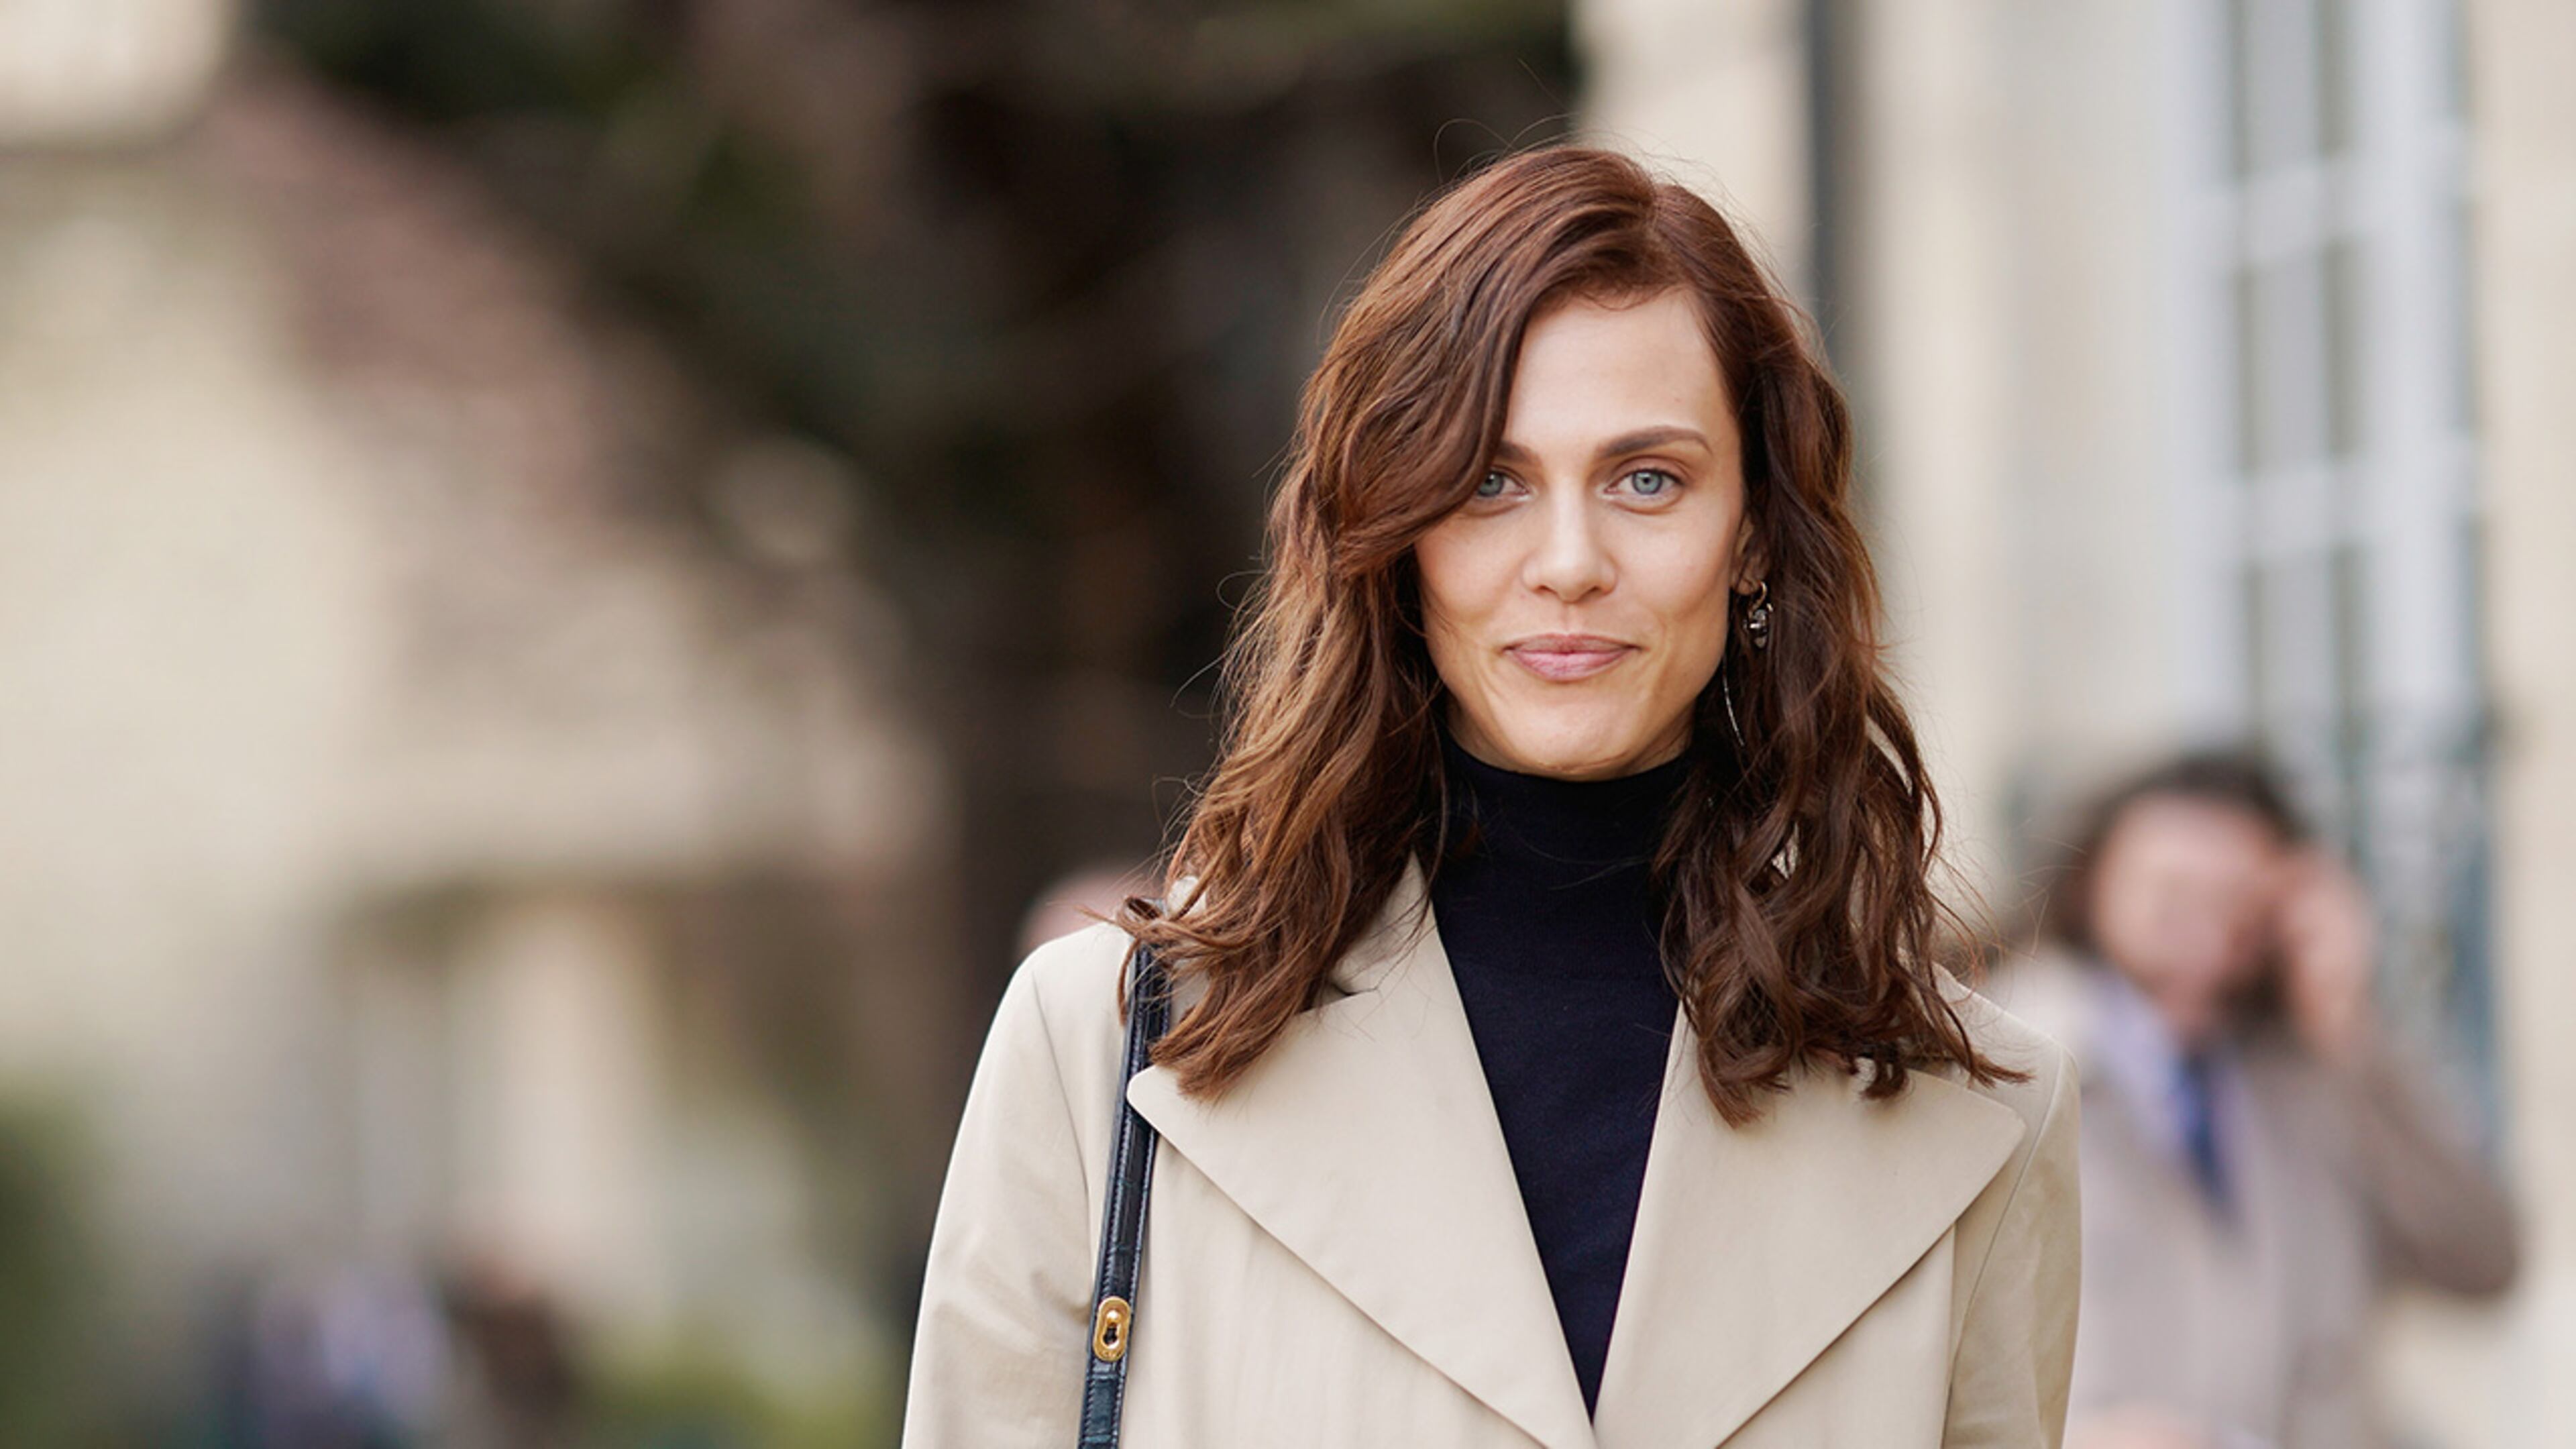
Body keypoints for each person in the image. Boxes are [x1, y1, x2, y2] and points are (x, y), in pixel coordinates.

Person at [900, 142, 2081, 1448]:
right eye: (1488, 483)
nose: (1569, 563)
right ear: (1397, 533)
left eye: (1648, 479)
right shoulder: (1109, 1044)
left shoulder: (1981, 1116)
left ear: (1751, 532)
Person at [2005, 753, 2519, 1449]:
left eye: (2234, 897)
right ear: (2093, 879)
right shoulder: (2004, 1065)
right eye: (2172, 889)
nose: (2202, 924)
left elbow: (2484, 1263)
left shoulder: (2317, 1073)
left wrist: (2348, 1032)